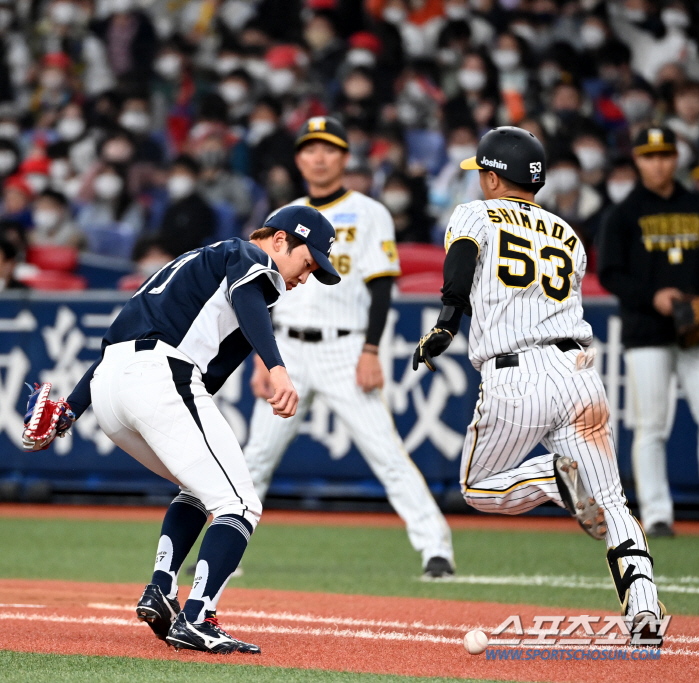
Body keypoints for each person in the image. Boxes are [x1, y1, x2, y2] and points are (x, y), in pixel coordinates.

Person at [24, 204, 340, 654]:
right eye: (307, 263)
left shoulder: (190, 265)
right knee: (241, 503)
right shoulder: (247, 255)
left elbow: (114, 349)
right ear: (280, 240)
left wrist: (70, 412)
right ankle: (199, 617)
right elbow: (249, 299)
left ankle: (162, 590)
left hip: (112, 385)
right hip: (159, 374)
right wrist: (278, 369)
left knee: (199, 487)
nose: (305, 277)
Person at [414, 126, 664, 642]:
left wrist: (444, 324)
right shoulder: (569, 235)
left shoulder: (474, 213)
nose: (479, 180)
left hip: (516, 376)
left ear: (492, 177)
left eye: (482, 172)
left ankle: (553, 478)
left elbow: (459, 269)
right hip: (578, 373)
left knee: (477, 487)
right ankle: (643, 610)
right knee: (613, 501)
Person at [243, 117, 455, 578]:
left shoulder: (368, 211)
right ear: (299, 159)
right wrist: (264, 355)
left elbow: (382, 288)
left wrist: (371, 349)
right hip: (290, 350)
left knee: (386, 452)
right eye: (310, 149)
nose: (319, 157)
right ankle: (224, 550)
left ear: (343, 157)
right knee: (255, 456)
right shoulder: (283, 216)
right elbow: (262, 287)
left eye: (329, 149)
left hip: (345, 347)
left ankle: (436, 549)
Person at [597, 126, 699, 538]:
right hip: (646, 330)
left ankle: (658, 510)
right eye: (649, 156)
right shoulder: (623, 214)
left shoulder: (696, 204)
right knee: (650, 425)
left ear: (677, 158)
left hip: (695, 332)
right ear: (637, 160)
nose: (658, 163)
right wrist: (652, 296)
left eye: (664, 155)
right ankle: (657, 514)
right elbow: (610, 273)